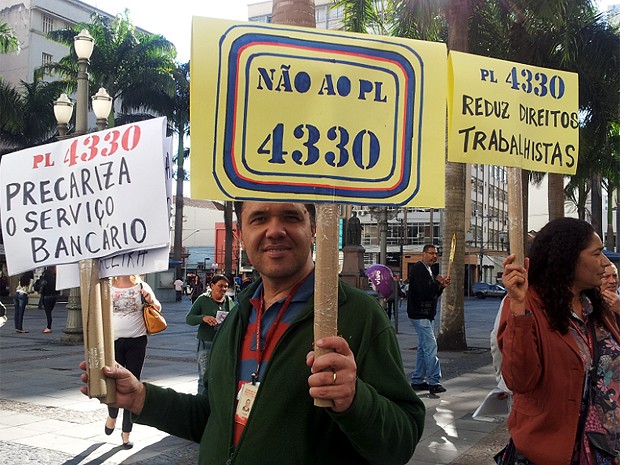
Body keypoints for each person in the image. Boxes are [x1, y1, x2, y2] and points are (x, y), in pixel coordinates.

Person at [80, 201, 425, 465]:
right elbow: (213, 418)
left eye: (290, 217)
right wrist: (140, 397)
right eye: (259, 219)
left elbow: (402, 438)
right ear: (241, 235)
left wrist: (354, 400)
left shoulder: (357, 316)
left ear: (314, 227)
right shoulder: (238, 313)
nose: (275, 230)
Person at [498, 218, 620, 464]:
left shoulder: (597, 306)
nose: (606, 263)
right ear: (568, 258)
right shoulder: (526, 303)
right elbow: (519, 379)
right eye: (596, 254)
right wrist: (519, 310)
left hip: (607, 449)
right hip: (557, 450)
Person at [104, 274, 161, 449]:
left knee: (132, 386)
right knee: (112, 383)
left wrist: (150, 299)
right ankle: (112, 414)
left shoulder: (141, 285)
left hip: (136, 341)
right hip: (113, 342)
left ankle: (126, 433)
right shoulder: (107, 286)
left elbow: (157, 307)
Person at [407, 244, 451, 394]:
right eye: (431, 253)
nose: (434, 256)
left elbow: (432, 295)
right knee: (430, 348)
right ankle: (434, 381)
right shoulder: (420, 269)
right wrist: (438, 282)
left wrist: (441, 286)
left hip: (425, 314)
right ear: (423, 254)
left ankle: (418, 380)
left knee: (423, 348)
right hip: (420, 315)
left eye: (436, 254)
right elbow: (424, 292)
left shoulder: (428, 270)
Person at [185, 274, 234, 394]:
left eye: (226, 287)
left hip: (223, 344)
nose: (223, 289)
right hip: (206, 342)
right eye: (220, 286)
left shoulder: (229, 301)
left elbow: (235, 319)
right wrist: (203, 318)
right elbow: (189, 318)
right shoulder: (203, 299)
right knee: (204, 376)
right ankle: (201, 404)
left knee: (220, 376)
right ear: (212, 286)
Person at [39, 267, 59, 333]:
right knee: (49, 312)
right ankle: (48, 326)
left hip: (46, 298)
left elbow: (41, 290)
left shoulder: (45, 281)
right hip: (53, 298)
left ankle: (48, 327)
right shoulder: (54, 281)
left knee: (48, 313)